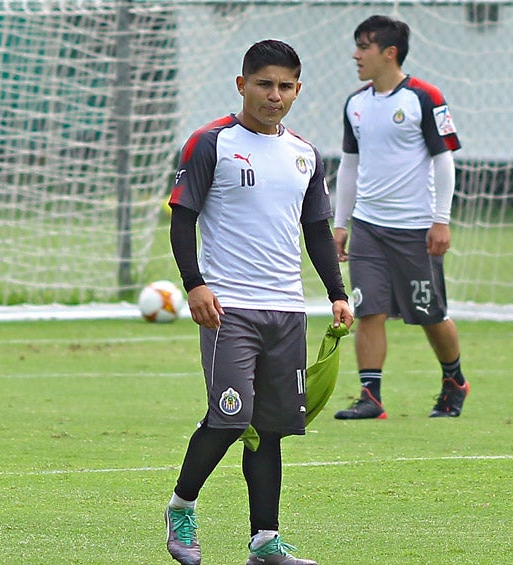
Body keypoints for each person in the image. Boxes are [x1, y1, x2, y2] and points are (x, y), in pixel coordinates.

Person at [164, 39, 354, 565]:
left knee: (268, 429)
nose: (275, 95)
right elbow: (183, 220)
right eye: (265, 84)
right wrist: (194, 284)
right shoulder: (211, 143)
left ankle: (265, 542)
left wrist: (336, 294)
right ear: (242, 84)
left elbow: (316, 230)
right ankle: (181, 506)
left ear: (298, 89)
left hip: (287, 310)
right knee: (230, 417)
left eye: (285, 86)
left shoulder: (305, 154)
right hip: (229, 307)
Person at [332, 15, 469, 420]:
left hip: (416, 229)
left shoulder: (424, 97)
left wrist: (440, 220)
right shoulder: (355, 104)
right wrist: (342, 224)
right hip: (368, 229)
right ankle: (370, 397)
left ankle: (454, 381)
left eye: (364, 46)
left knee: (430, 313)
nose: (356, 54)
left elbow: (444, 161)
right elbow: (349, 166)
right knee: (367, 308)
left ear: (389, 53)